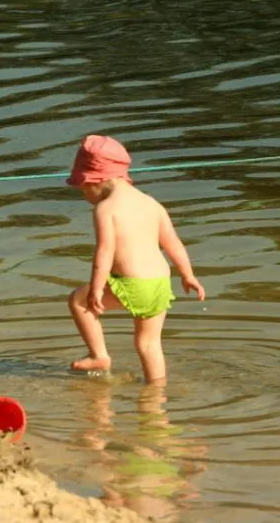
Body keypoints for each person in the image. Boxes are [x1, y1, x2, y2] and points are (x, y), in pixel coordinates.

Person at [66, 135, 205, 382]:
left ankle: (99, 355)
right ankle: (156, 389)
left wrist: (96, 289)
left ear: (93, 180)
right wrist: (188, 275)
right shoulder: (152, 203)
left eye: (82, 189)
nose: (84, 194)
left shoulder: (105, 209)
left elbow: (104, 252)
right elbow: (173, 243)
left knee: (79, 301)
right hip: (161, 282)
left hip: (133, 283)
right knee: (148, 343)